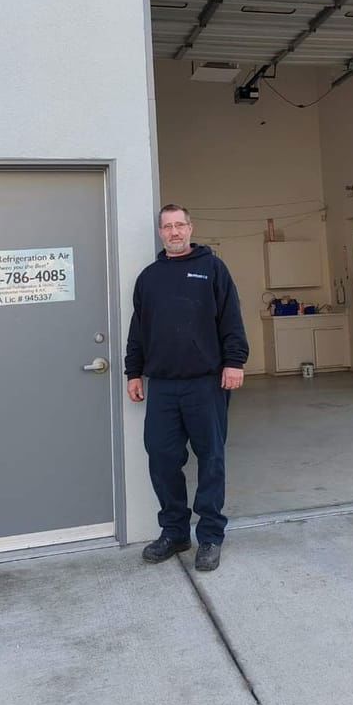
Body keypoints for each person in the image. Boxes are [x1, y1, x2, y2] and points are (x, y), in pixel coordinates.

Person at [125, 204, 249, 572]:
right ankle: (175, 532)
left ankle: (210, 536)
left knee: (211, 459)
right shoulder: (149, 278)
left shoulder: (213, 269)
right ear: (161, 232)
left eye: (180, 225)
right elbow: (138, 330)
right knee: (162, 458)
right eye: (168, 227)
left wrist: (235, 361)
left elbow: (231, 318)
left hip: (206, 383)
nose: (174, 232)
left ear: (191, 229)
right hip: (162, 386)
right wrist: (134, 372)